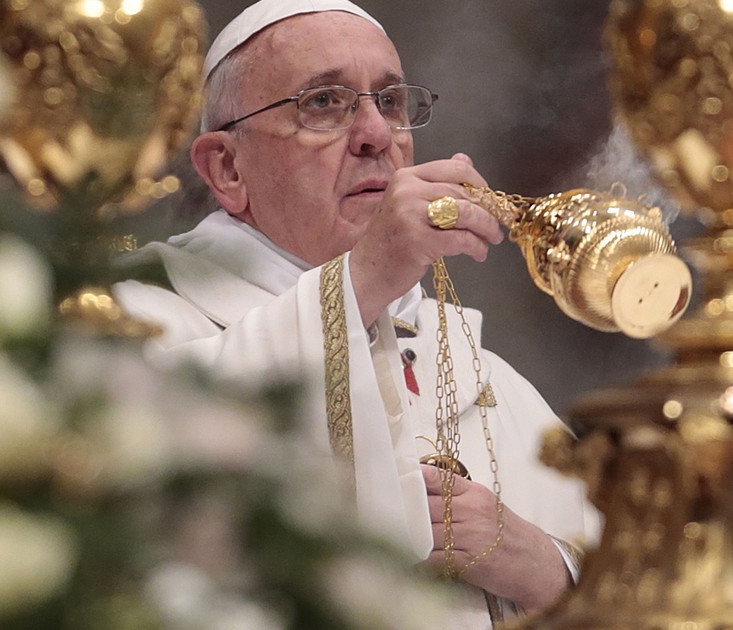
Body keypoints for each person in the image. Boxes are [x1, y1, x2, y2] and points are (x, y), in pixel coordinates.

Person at [114, 1, 595, 626]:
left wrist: (546, 568)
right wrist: (364, 277)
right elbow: (145, 489)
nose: (376, 135)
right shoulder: (140, 320)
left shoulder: (486, 376)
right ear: (227, 168)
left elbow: (641, 590)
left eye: (390, 102)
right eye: (323, 103)